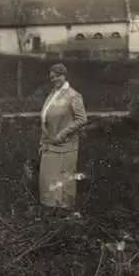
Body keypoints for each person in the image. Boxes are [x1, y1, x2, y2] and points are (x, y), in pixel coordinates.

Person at [39, 63, 87, 215]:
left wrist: (63, 133)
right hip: (49, 146)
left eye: (58, 76)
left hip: (66, 147)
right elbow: (44, 120)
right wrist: (42, 141)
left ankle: (64, 214)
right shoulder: (52, 94)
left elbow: (82, 119)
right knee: (48, 182)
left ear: (64, 75)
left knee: (63, 183)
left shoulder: (73, 95)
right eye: (52, 77)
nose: (55, 79)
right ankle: (51, 215)